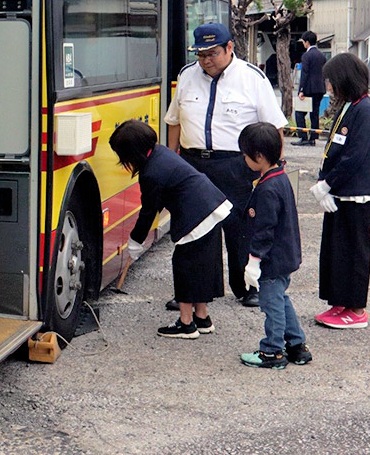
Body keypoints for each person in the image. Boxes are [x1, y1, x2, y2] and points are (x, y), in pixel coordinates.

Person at [164, 23, 288, 309]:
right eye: (201, 54)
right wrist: (173, 159)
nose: (206, 60)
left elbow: (274, 127)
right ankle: (192, 291)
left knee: (240, 229)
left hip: (236, 164)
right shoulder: (186, 75)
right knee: (193, 231)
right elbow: (174, 120)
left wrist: (271, 168)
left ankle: (245, 287)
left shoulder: (251, 78)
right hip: (193, 164)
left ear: (230, 48)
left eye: (213, 53)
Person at [110, 119, 232, 339]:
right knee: (202, 265)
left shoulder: (151, 173)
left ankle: (186, 323)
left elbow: (149, 211)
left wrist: (135, 243)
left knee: (185, 265)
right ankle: (202, 317)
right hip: (211, 206)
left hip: (194, 215)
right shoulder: (160, 153)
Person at [310, 52, 370, 329]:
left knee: (354, 251)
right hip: (339, 192)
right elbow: (336, 148)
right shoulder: (349, 105)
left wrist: (328, 184)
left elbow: (355, 156)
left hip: (356, 194)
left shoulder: (366, 109)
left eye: (332, 81)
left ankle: (357, 309)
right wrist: (324, 180)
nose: (329, 86)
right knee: (336, 251)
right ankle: (340, 301)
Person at [238, 122, 311, 369]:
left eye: (246, 155)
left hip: (271, 258)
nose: (244, 159)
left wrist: (254, 261)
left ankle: (272, 351)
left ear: (258, 157)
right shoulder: (280, 177)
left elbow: (264, 230)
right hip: (286, 254)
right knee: (281, 299)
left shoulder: (267, 188)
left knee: (271, 305)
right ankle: (297, 345)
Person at [294, 31, 326, 146]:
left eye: (303, 42)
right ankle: (313, 138)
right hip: (320, 88)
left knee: (299, 113)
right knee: (314, 114)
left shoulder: (307, 56)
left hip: (309, 89)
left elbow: (305, 74)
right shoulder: (321, 55)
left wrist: (301, 90)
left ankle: (303, 137)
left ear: (307, 42)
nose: (303, 44)